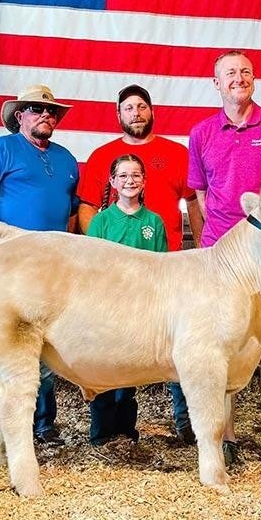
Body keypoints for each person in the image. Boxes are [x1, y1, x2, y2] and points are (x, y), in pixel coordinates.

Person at [188, 50, 261, 465]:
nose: (238, 78)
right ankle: (227, 439)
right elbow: (200, 196)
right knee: (221, 345)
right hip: (221, 259)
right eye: (230, 73)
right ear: (216, 83)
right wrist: (209, 247)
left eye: (245, 72)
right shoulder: (202, 133)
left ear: (254, 79)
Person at [77, 84, 202, 444]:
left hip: (167, 272)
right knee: (113, 351)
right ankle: (106, 428)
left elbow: (193, 202)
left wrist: (202, 247)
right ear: (119, 114)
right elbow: (87, 207)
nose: (136, 113)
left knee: (180, 343)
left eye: (141, 106)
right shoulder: (102, 157)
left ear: (151, 111)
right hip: (116, 284)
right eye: (128, 107)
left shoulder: (176, 154)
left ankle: (188, 423)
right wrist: (106, 256)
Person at [0, 84, 79, 447]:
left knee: (46, 342)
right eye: (36, 109)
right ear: (19, 116)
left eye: (51, 111)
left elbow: (71, 210)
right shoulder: (0, 149)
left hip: (50, 270)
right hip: (8, 267)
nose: (46, 115)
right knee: (0, 347)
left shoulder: (66, 159)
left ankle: (41, 426)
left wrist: (66, 252)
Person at [86, 153, 168, 445]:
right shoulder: (101, 222)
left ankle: (126, 431)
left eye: (135, 175)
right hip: (108, 307)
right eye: (123, 176)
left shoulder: (154, 222)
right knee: (104, 368)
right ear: (113, 181)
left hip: (140, 308)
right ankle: (101, 433)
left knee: (130, 370)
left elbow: (161, 267)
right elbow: (91, 268)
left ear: (144, 181)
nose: (129, 181)